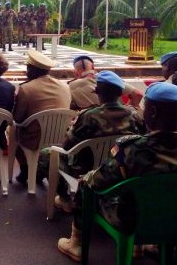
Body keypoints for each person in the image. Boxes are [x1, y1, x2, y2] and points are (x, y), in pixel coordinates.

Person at [57, 82, 177, 263]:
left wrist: (86, 178)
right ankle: (155, 245)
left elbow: (98, 181)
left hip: (132, 219)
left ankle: (76, 243)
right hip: (172, 218)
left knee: (85, 186)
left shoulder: (132, 149)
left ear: (152, 113)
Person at [52, 71, 146, 213]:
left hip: (86, 169)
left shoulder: (89, 116)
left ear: (97, 91)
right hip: (120, 169)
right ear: (121, 93)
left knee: (48, 154)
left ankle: (66, 199)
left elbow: (66, 146)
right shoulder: (134, 116)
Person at [13, 49, 71, 184]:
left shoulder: (26, 89)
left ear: (31, 69)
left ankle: (25, 169)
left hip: (35, 139)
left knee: (13, 131)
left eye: (28, 68)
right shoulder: (65, 86)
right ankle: (38, 169)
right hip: (61, 137)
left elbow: (18, 118)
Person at [69, 55, 143, 111]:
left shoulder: (70, 87)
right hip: (119, 123)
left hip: (93, 126)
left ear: (75, 73)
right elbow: (138, 94)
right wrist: (125, 111)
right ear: (93, 67)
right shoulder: (109, 79)